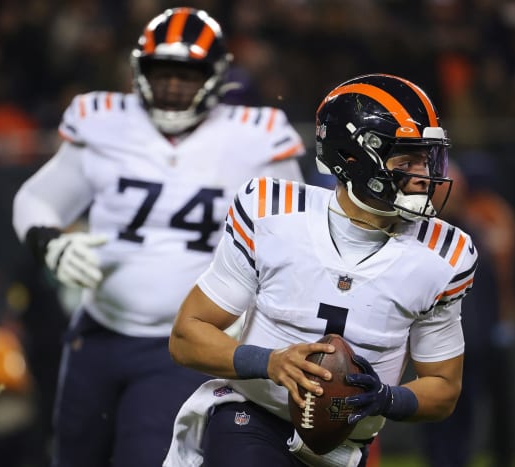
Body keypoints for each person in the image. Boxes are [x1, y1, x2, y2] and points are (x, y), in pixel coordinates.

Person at [11, 7, 305, 467]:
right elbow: (37, 197)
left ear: (216, 76)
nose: (171, 86)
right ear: (137, 71)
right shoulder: (102, 119)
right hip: (97, 331)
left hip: (187, 344)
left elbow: (290, 242)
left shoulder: (256, 136)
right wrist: (50, 240)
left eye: (186, 75)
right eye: (161, 72)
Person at [164, 73, 478, 467]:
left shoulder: (445, 255)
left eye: (427, 158)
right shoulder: (271, 212)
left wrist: (386, 398)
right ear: (354, 159)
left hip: (343, 450)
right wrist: (270, 362)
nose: (422, 175)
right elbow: (186, 337)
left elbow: (444, 389)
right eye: (407, 159)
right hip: (252, 418)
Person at [420, 157, 515, 467]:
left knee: (464, 421)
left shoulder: (473, 235)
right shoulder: (419, 236)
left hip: (472, 345)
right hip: (431, 347)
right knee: (435, 424)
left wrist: (492, 329)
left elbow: (489, 290)